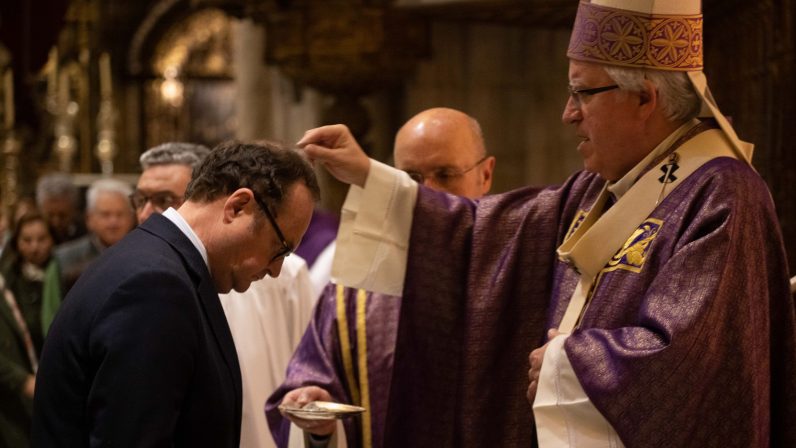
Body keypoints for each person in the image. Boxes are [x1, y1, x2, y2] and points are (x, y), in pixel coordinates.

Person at [294, 1, 796, 446]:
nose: (567, 114)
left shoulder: (722, 196)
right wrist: (369, 175)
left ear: (645, 98)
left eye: (582, 93)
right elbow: (477, 237)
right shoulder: (597, 189)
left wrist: (568, 365)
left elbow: (693, 364)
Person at [31, 141, 320, 447]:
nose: (276, 270)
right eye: (280, 248)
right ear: (237, 207)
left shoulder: (161, 264)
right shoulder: (155, 286)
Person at [267, 107, 495, 448]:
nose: (428, 192)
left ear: (486, 175)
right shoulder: (355, 290)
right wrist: (316, 422)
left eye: (445, 174)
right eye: (411, 178)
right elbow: (312, 385)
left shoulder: (516, 275)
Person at [133, 142, 319, 448]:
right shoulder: (150, 280)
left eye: (164, 200)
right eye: (140, 200)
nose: (146, 214)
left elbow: (308, 376)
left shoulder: (281, 274)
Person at [0, 213, 61, 448]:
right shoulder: (9, 278)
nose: (34, 247)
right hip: (25, 376)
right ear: (16, 242)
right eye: (27, 240)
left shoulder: (63, 271)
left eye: (41, 239)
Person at [55, 178, 136, 293]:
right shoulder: (65, 259)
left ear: (132, 218)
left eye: (120, 214)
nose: (113, 222)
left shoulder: (144, 256)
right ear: (89, 219)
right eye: (105, 214)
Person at [35, 173, 86, 245]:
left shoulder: (86, 235)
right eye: (50, 215)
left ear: (74, 210)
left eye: (62, 216)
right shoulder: (32, 240)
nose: (56, 222)